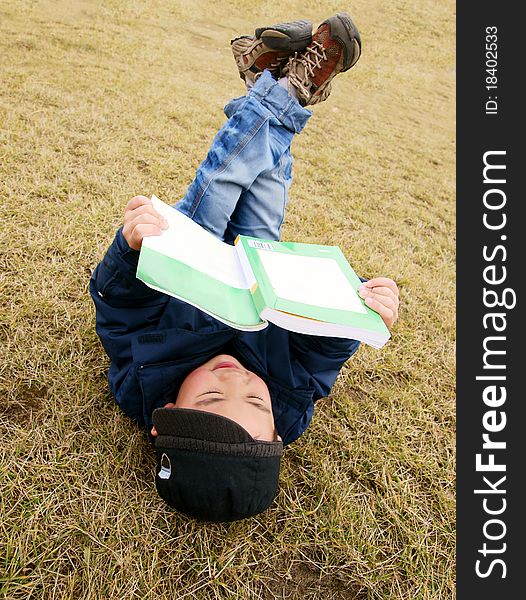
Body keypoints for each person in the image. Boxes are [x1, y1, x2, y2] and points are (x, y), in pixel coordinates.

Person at [90, 13, 400, 522]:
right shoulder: (291, 408)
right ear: (276, 431)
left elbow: (119, 313)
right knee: (269, 186)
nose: (234, 382)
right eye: (255, 403)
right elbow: (316, 357)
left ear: (164, 417)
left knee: (224, 180)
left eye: (211, 395)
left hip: (191, 266)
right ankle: (269, 81)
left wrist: (130, 251)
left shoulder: (140, 383)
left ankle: (290, 88)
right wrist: (357, 314)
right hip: (260, 276)